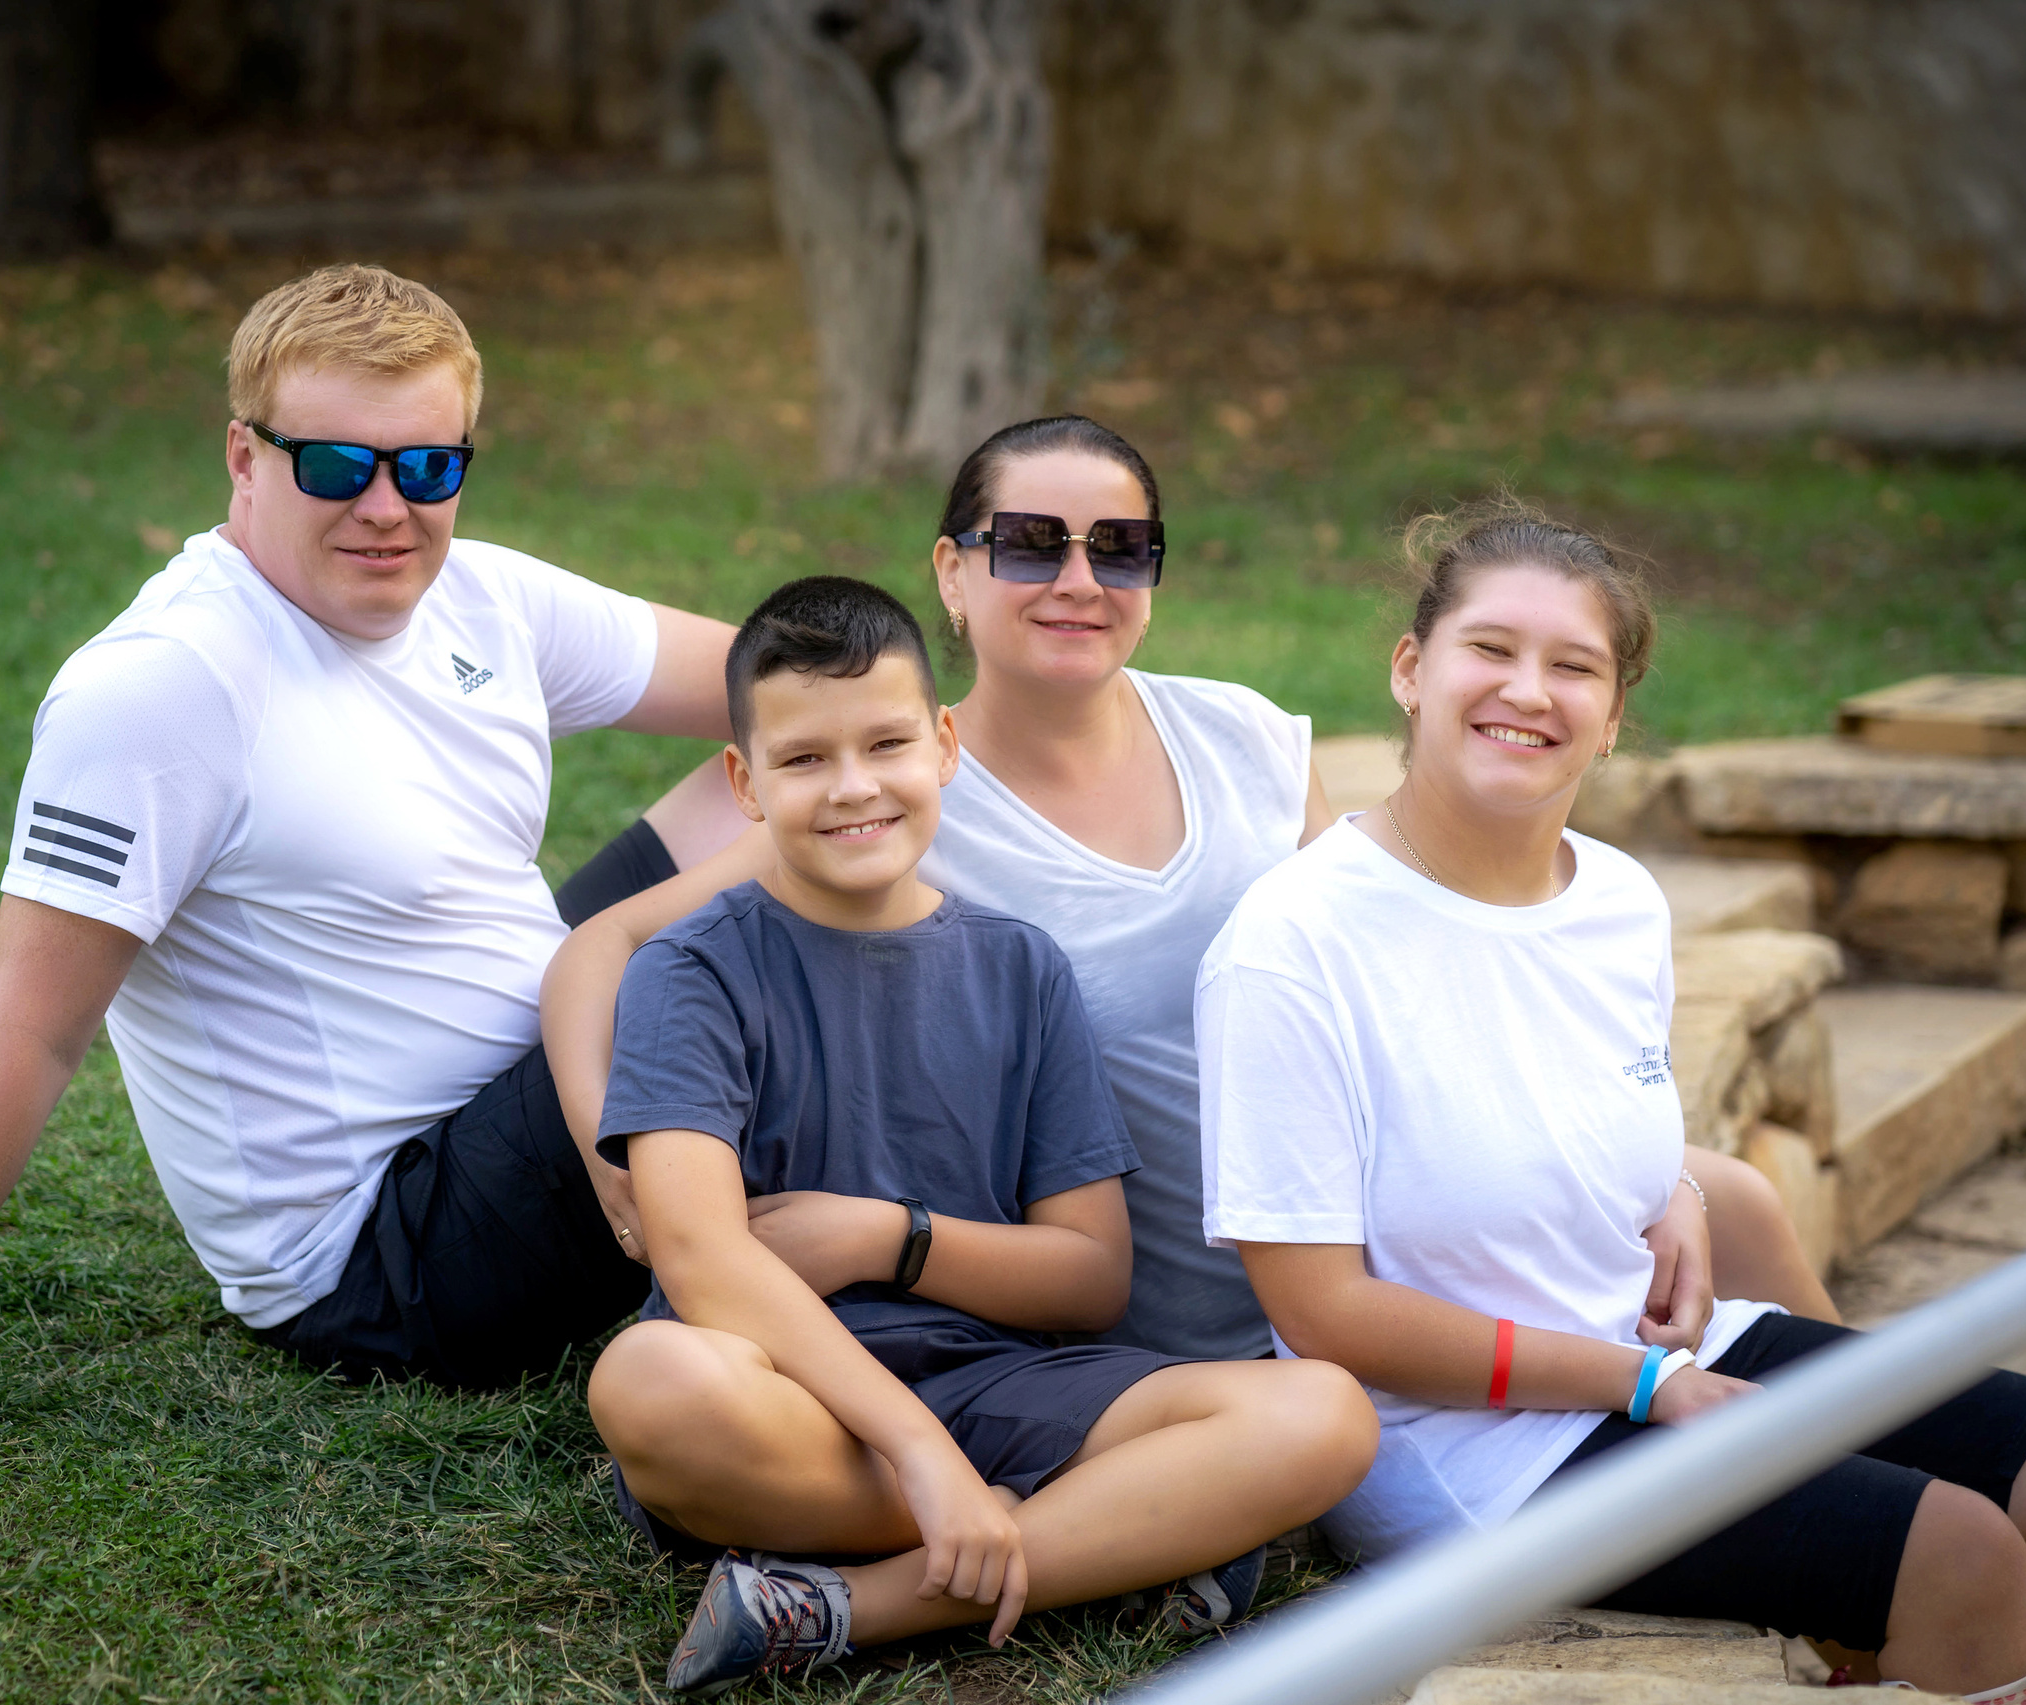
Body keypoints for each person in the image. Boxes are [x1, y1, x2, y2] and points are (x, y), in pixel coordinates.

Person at [0, 263, 751, 1420]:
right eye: (333, 464)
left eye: (428, 466)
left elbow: (780, 687)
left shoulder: (481, 596)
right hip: (394, 1245)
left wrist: (902, 729)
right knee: (801, 898)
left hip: (527, 1076)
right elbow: (26, 1029)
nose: (386, 507)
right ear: (243, 458)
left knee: (812, 771)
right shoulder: (165, 689)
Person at [545, 415, 1833, 1376]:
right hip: (1174, 1289)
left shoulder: (1245, 736)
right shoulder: (896, 795)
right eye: (1029, 546)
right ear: (950, 572)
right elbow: (600, 947)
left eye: (1121, 548)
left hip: (1382, 1184)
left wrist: (1645, 1164)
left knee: (1738, 1203)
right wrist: (630, 1172)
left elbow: (1414, 956)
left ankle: (1937, 1562)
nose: (1077, 580)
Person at [1202, 503, 2026, 1705]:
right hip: (1471, 1448)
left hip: (1652, 1353)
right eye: (1491, 649)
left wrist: (1677, 1188)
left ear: (1614, 717)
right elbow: (1320, 1313)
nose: (1527, 691)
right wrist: (1638, 1386)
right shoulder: (1293, 945)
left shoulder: (1620, 900)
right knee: (1957, 1555)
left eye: (1572, 666)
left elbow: (1592, 1118)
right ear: (1410, 670)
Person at [580, 575, 1377, 1693]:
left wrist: (890, 1237)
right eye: (804, 759)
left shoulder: (1020, 968)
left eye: (886, 744)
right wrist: (919, 1451)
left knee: (1323, 1416)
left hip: (1001, 1384)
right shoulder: (692, 971)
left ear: (944, 744)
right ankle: (1104, 1543)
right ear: (742, 782)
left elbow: (1090, 1278)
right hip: (786, 1395)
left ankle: (852, 1603)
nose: (853, 787)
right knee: (649, 1382)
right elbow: (701, 1255)